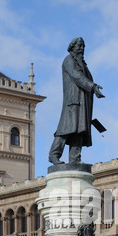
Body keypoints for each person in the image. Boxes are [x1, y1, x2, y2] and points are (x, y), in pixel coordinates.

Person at [49, 37, 105, 165]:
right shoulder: (69, 60)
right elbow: (76, 76)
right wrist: (93, 86)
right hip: (73, 101)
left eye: (83, 46)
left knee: (80, 130)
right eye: (79, 46)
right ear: (72, 47)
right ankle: (54, 154)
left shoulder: (83, 64)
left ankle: (75, 159)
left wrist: (92, 88)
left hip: (83, 102)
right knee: (65, 128)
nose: (81, 49)